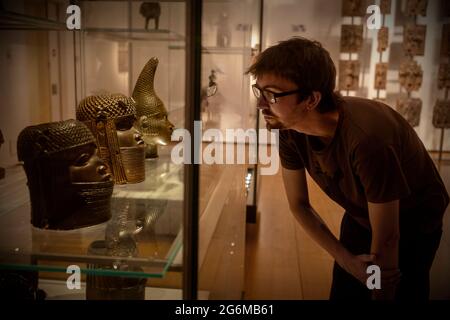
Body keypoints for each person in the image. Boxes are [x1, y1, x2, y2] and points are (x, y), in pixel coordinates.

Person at [246, 37, 449, 300]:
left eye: (272, 94)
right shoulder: (289, 129)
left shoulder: (367, 140)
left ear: (311, 99)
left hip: (413, 225)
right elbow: (299, 204)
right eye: (259, 91)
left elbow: (389, 236)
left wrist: (380, 289)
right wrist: (346, 260)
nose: (261, 104)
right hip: (361, 215)